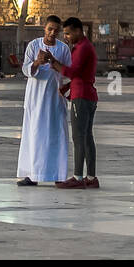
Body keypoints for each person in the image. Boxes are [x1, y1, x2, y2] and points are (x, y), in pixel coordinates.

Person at [16, 15, 71, 187]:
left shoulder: (63, 49)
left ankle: (57, 174)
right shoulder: (34, 45)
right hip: (36, 98)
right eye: (50, 29)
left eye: (56, 30)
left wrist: (54, 63)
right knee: (35, 135)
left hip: (55, 99)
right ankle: (32, 174)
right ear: (44, 29)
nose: (53, 33)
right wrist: (37, 62)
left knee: (56, 135)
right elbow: (26, 69)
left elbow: (69, 72)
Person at [46, 17, 99, 189]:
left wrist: (54, 63)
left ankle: (78, 177)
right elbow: (84, 75)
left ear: (78, 30)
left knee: (78, 137)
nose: (66, 37)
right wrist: (68, 87)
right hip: (87, 94)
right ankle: (91, 177)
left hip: (81, 97)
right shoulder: (84, 47)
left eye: (68, 33)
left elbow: (73, 71)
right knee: (87, 137)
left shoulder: (82, 48)